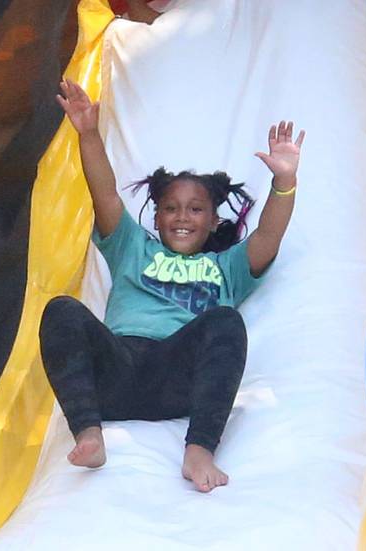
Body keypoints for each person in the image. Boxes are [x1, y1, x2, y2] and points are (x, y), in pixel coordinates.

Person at [40, 78, 305, 492]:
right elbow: (106, 194)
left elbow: (268, 238)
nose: (183, 217)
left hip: (178, 380)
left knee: (226, 321)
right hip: (118, 370)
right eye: (171, 208)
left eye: (196, 209)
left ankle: (199, 449)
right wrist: (89, 134)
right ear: (157, 218)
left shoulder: (227, 266)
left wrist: (284, 183)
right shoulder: (131, 246)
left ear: (214, 221)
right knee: (61, 310)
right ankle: (89, 433)